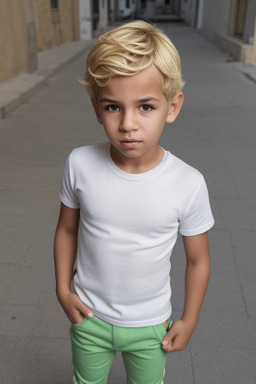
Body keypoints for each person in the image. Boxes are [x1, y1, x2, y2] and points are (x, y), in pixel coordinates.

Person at [54, 20, 214, 384]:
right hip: (89, 318)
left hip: (151, 327)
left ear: (172, 107)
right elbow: (66, 230)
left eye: (145, 106)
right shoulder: (79, 163)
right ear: (97, 109)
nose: (128, 124)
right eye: (113, 107)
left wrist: (189, 319)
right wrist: (64, 289)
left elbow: (198, 259)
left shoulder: (187, 184)